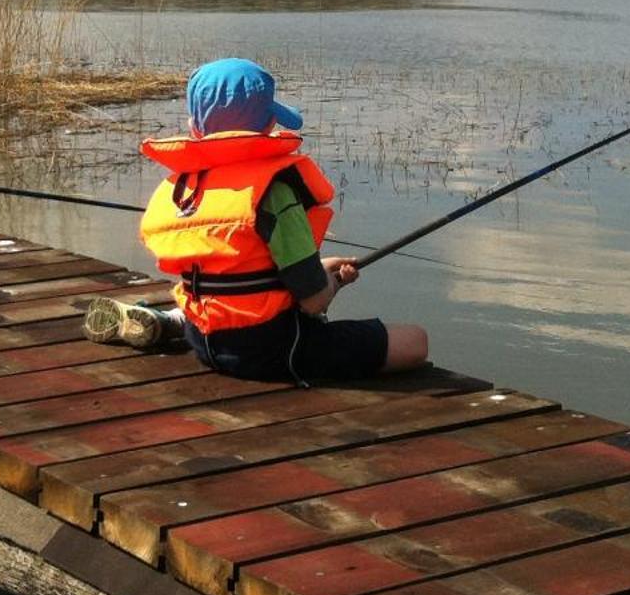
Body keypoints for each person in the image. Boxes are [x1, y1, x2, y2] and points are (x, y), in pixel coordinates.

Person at [85, 58, 428, 383]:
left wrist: (320, 268)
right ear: (268, 125)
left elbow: (240, 272)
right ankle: (173, 322)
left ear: (194, 127)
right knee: (415, 341)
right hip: (272, 350)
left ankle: (173, 322)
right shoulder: (273, 192)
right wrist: (334, 282)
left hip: (205, 342)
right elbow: (313, 301)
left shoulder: (183, 189)